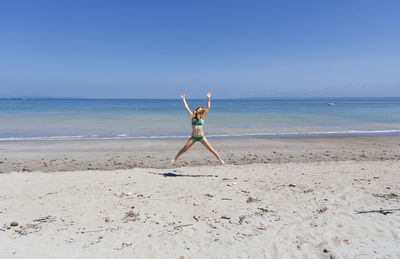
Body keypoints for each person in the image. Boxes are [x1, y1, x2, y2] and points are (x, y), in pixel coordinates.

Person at [171, 92, 226, 165]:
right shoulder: (192, 117)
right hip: (193, 138)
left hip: (201, 137)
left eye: (199, 109)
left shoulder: (202, 118)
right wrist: (183, 99)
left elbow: (208, 107)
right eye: (198, 109)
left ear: (201, 111)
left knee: (211, 149)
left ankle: (220, 160)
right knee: (184, 149)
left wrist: (208, 98)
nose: (198, 110)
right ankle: (174, 159)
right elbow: (186, 108)